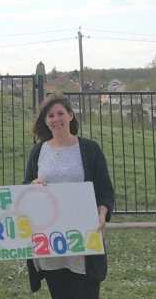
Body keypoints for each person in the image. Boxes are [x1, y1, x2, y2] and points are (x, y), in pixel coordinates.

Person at [23, 92, 115, 299]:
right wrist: (32, 186)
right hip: (51, 244)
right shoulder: (38, 152)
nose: (56, 119)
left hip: (82, 244)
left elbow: (105, 191)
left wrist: (102, 214)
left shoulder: (90, 149)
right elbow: (24, 190)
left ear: (71, 115)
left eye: (60, 113)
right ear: (45, 121)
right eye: (50, 116)